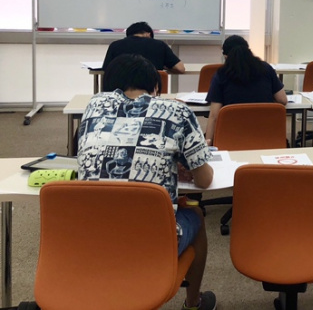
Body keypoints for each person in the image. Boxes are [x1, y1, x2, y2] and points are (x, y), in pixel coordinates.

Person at [77, 54, 216, 310]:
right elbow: (205, 180)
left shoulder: (93, 106)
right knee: (195, 213)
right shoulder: (177, 111)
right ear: (155, 87)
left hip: (92, 237)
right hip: (152, 242)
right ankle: (193, 303)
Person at [204, 35, 287, 143]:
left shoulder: (221, 74)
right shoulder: (266, 68)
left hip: (231, 138)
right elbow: (282, 100)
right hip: (266, 136)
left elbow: (214, 116)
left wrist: (208, 143)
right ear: (248, 50)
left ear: (226, 56)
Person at [102, 21, 185, 74]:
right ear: (148, 34)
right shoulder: (159, 45)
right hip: (151, 91)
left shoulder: (115, 45)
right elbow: (180, 68)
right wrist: (166, 67)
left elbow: (106, 70)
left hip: (121, 91)